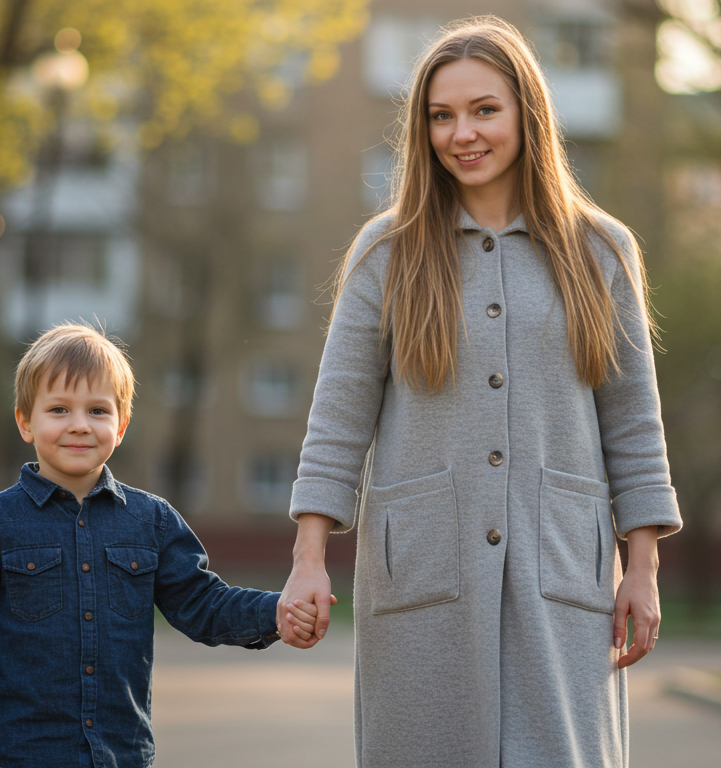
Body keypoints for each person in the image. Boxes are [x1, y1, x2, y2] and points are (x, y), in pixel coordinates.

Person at [276, 16, 683, 768]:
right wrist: (308, 558)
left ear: (528, 114)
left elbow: (632, 422)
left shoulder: (603, 250)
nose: (461, 133)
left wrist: (644, 569)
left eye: (484, 109)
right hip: (422, 571)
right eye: (441, 115)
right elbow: (338, 417)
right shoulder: (388, 251)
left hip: (564, 566)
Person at [0, 323, 318, 768]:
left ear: (121, 426)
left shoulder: (153, 521)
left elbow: (205, 604)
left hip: (121, 758)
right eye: (59, 409)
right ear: (26, 422)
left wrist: (278, 612)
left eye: (98, 411)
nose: (80, 425)